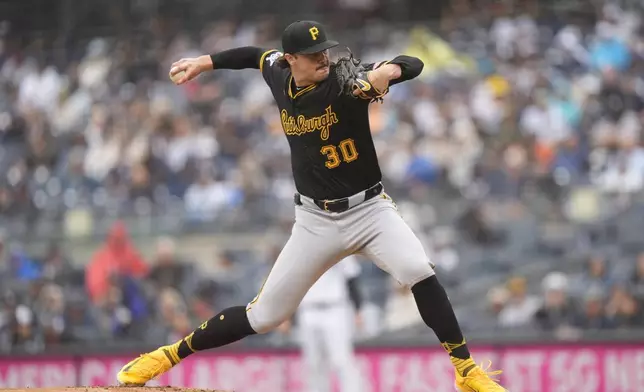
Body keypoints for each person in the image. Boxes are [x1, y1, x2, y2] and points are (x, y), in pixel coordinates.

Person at [117, 20, 507, 392]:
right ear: (291, 59)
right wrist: (205, 62)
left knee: (418, 269)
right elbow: (255, 54)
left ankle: (466, 370)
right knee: (265, 316)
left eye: (325, 50)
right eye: (313, 53)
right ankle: (168, 355)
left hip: (370, 211)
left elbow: (414, 64)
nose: (324, 58)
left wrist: (388, 71)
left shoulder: (346, 82)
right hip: (315, 220)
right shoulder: (278, 75)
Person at [285, 256, 364, 392]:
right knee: (313, 363)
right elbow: (293, 285)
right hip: (307, 309)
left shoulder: (340, 247)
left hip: (335, 308)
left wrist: (357, 310)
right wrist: (289, 316)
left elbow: (352, 280)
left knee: (341, 359)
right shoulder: (301, 249)